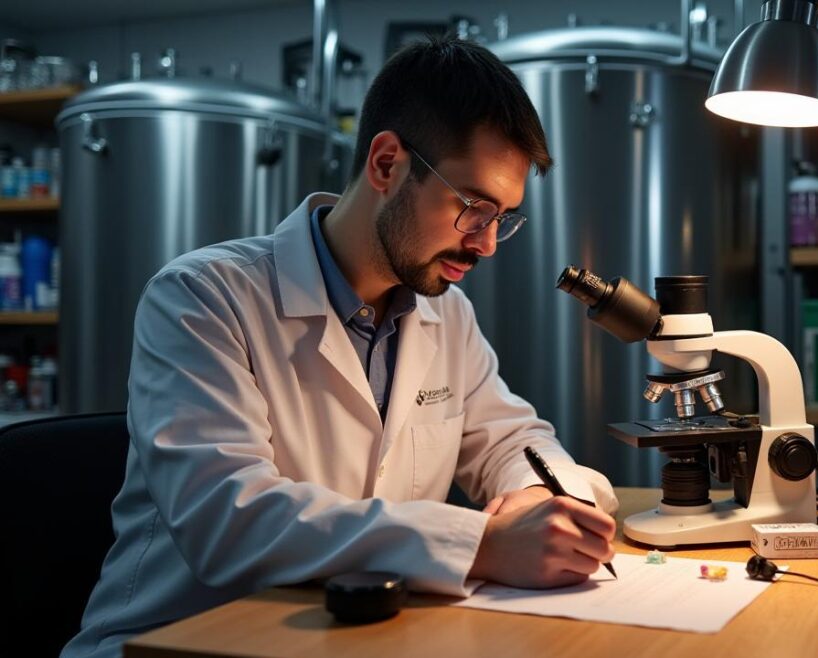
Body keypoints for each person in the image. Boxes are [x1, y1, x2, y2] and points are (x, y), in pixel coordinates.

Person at [63, 36, 618, 658]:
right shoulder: (203, 296)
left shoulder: (444, 313)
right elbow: (227, 519)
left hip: (359, 639)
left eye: (503, 218)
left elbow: (514, 440)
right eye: (473, 208)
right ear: (386, 164)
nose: (486, 244)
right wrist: (482, 544)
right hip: (174, 643)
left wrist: (544, 497)